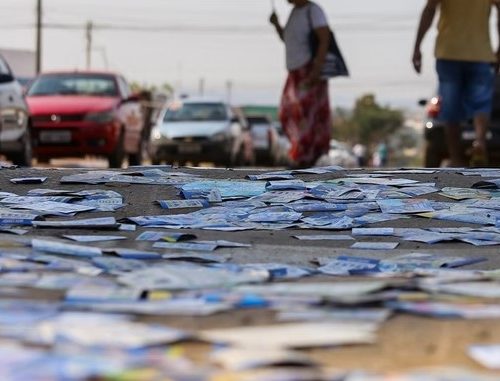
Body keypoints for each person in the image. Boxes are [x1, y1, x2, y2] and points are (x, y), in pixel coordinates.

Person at [412, 0, 500, 167]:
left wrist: (417, 47)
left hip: (449, 52)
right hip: (480, 53)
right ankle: (480, 142)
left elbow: (429, 10)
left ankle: (456, 157)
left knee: (451, 106)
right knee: (480, 102)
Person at [270, 0, 332, 168]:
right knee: (288, 112)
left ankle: (306, 157)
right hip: (295, 71)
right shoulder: (295, 13)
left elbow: (324, 38)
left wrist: (316, 70)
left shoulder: (313, 11)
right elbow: (289, 40)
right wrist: (277, 25)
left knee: (305, 114)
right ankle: (301, 153)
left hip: (309, 69)